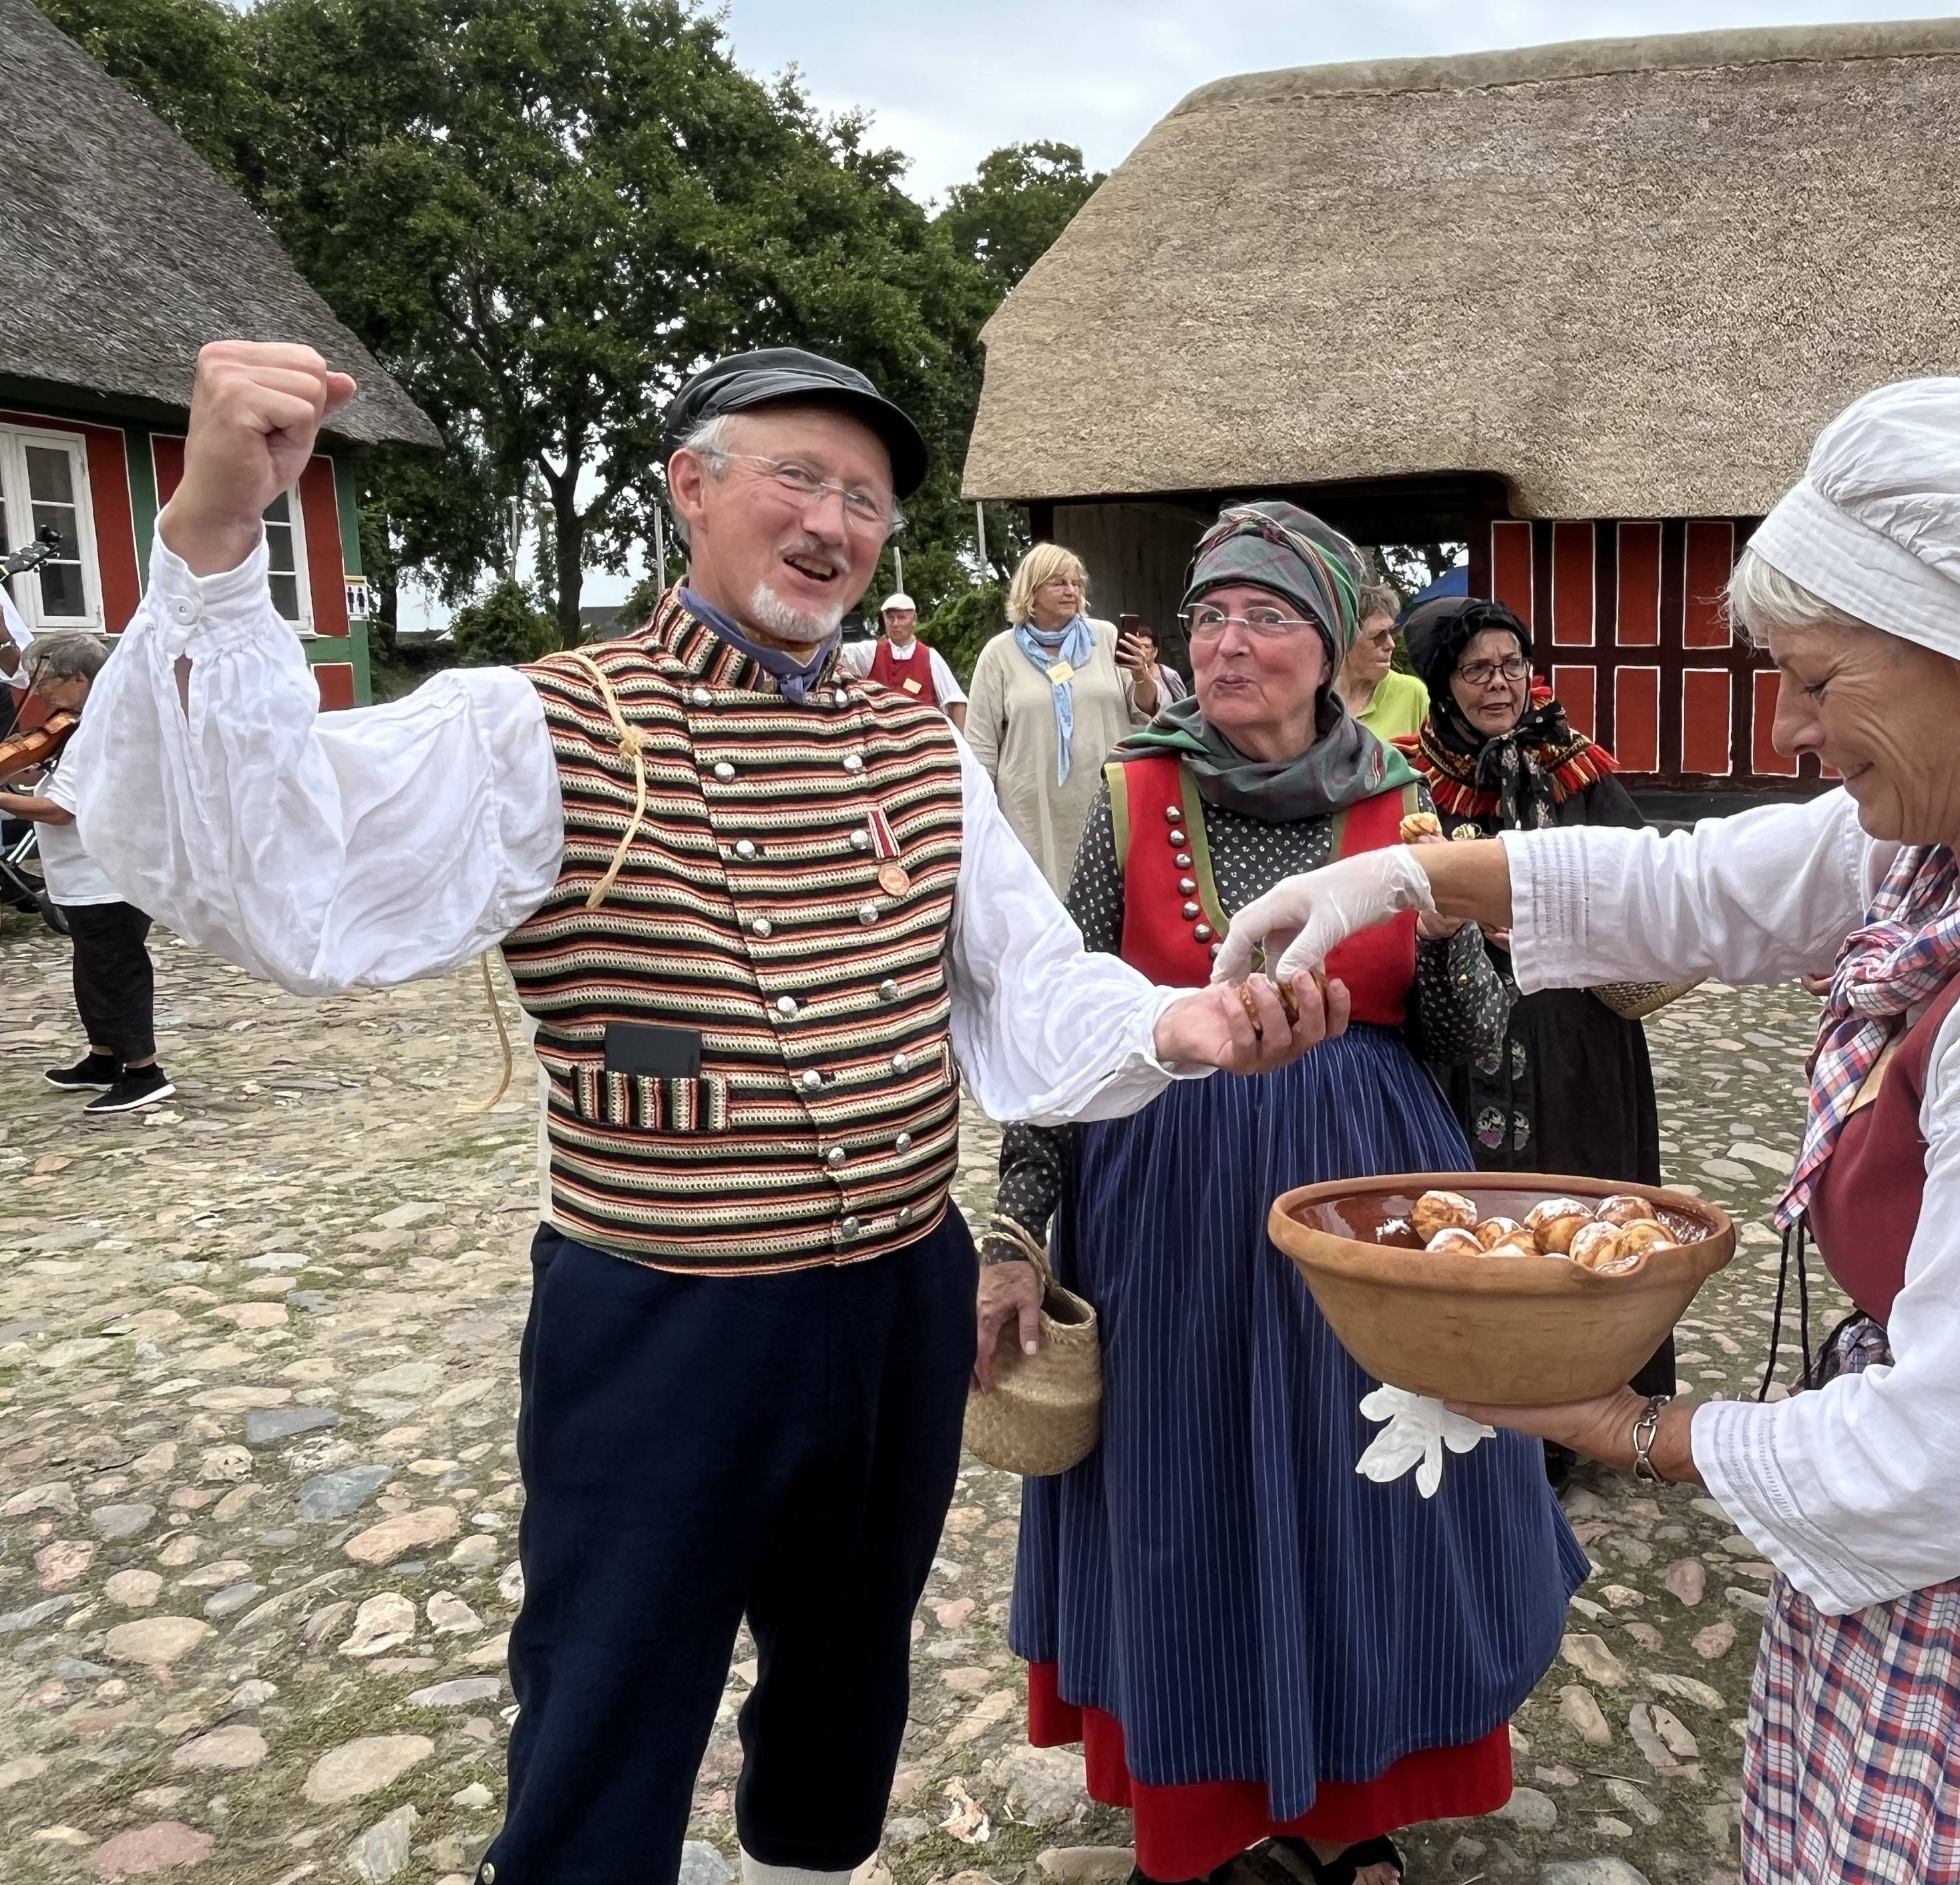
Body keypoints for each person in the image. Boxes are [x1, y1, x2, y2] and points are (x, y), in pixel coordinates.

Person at [65, 340, 1349, 1885]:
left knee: (845, 1683)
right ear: (691, 488)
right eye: (796, 475)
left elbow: (1028, 985)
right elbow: (268, 867)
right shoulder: (539, 727)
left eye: (866, 498)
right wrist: (212, 548)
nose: (835, 521)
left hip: (895, 1300)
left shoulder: (918, 751)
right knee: (609, 1691)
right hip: (659, 1319)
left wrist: (1180, 1020)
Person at [1216, 379, 1960, 1885]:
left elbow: (1949, 1460)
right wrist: (1408, 885)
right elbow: (1709, 882)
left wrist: (1631, 1426)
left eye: (1820, 682)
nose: (1790, 727)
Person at [982, 502, 1582, 1885]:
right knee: (1186, 1494)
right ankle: (1199, 1812)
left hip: (1363, 1211)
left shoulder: (1401, 809)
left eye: (1266, 617)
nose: (1229, 641)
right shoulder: (1131, 797)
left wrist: (1450, 944)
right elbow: (1057, 1028)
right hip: (1167, 1211)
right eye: (1209, 617)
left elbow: (1476, 1046)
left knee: (1359, 1499)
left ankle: (1353, 1805)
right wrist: (1017, 1230)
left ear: (1332, 650)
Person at [1398, 596, 1672, 1463]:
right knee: (1471, 1215)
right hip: (1461, 1045)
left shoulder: (1577, 771)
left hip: (1573, 1037)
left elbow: (1643, 887)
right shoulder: (1409, 779)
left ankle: (1583, 1422)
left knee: (1581, 1214)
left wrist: (1566, 924)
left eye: (1513, 665)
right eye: (1478, 669)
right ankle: (1479, 1415)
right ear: (1440, 681)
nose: (1502, 685)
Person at [0, 633, 174, 1113]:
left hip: (107, 874)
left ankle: (144, 1071)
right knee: (92, 970)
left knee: (116, 971)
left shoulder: (102, 729)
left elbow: (60, 810)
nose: (39, 695)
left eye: (49, 683)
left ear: (80, 679)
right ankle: (104, 1058)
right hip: (83, 875)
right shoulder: (83, 725)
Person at [966, 542, 1161, 893]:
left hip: (1101, 793)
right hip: (1031, 805)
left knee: (1108, 897)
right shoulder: (1000, 654)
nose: (1071, 591)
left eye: (1076, 583)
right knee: (1040, 903)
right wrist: (982, 816)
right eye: (1059, 583)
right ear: (1032, 590)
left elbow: (1145, 711)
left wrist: (1143, 677)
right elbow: (980, 745)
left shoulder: (1107, 638)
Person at [841, 588, 966, 727]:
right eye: (890, 618)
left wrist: (961, 743)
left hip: (922, 736)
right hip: (881, 736)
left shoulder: (930, 657)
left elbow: (956, 701)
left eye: (901, 618)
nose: (895, 624)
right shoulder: (870, 652)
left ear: (914, 620)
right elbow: (833, 655)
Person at [1338, 577, 1428, 739]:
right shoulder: (1315, 698)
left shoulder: (1411, 694)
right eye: (1379, 636)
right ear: (1345, 639)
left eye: (1390, 632)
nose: (1391, 644)